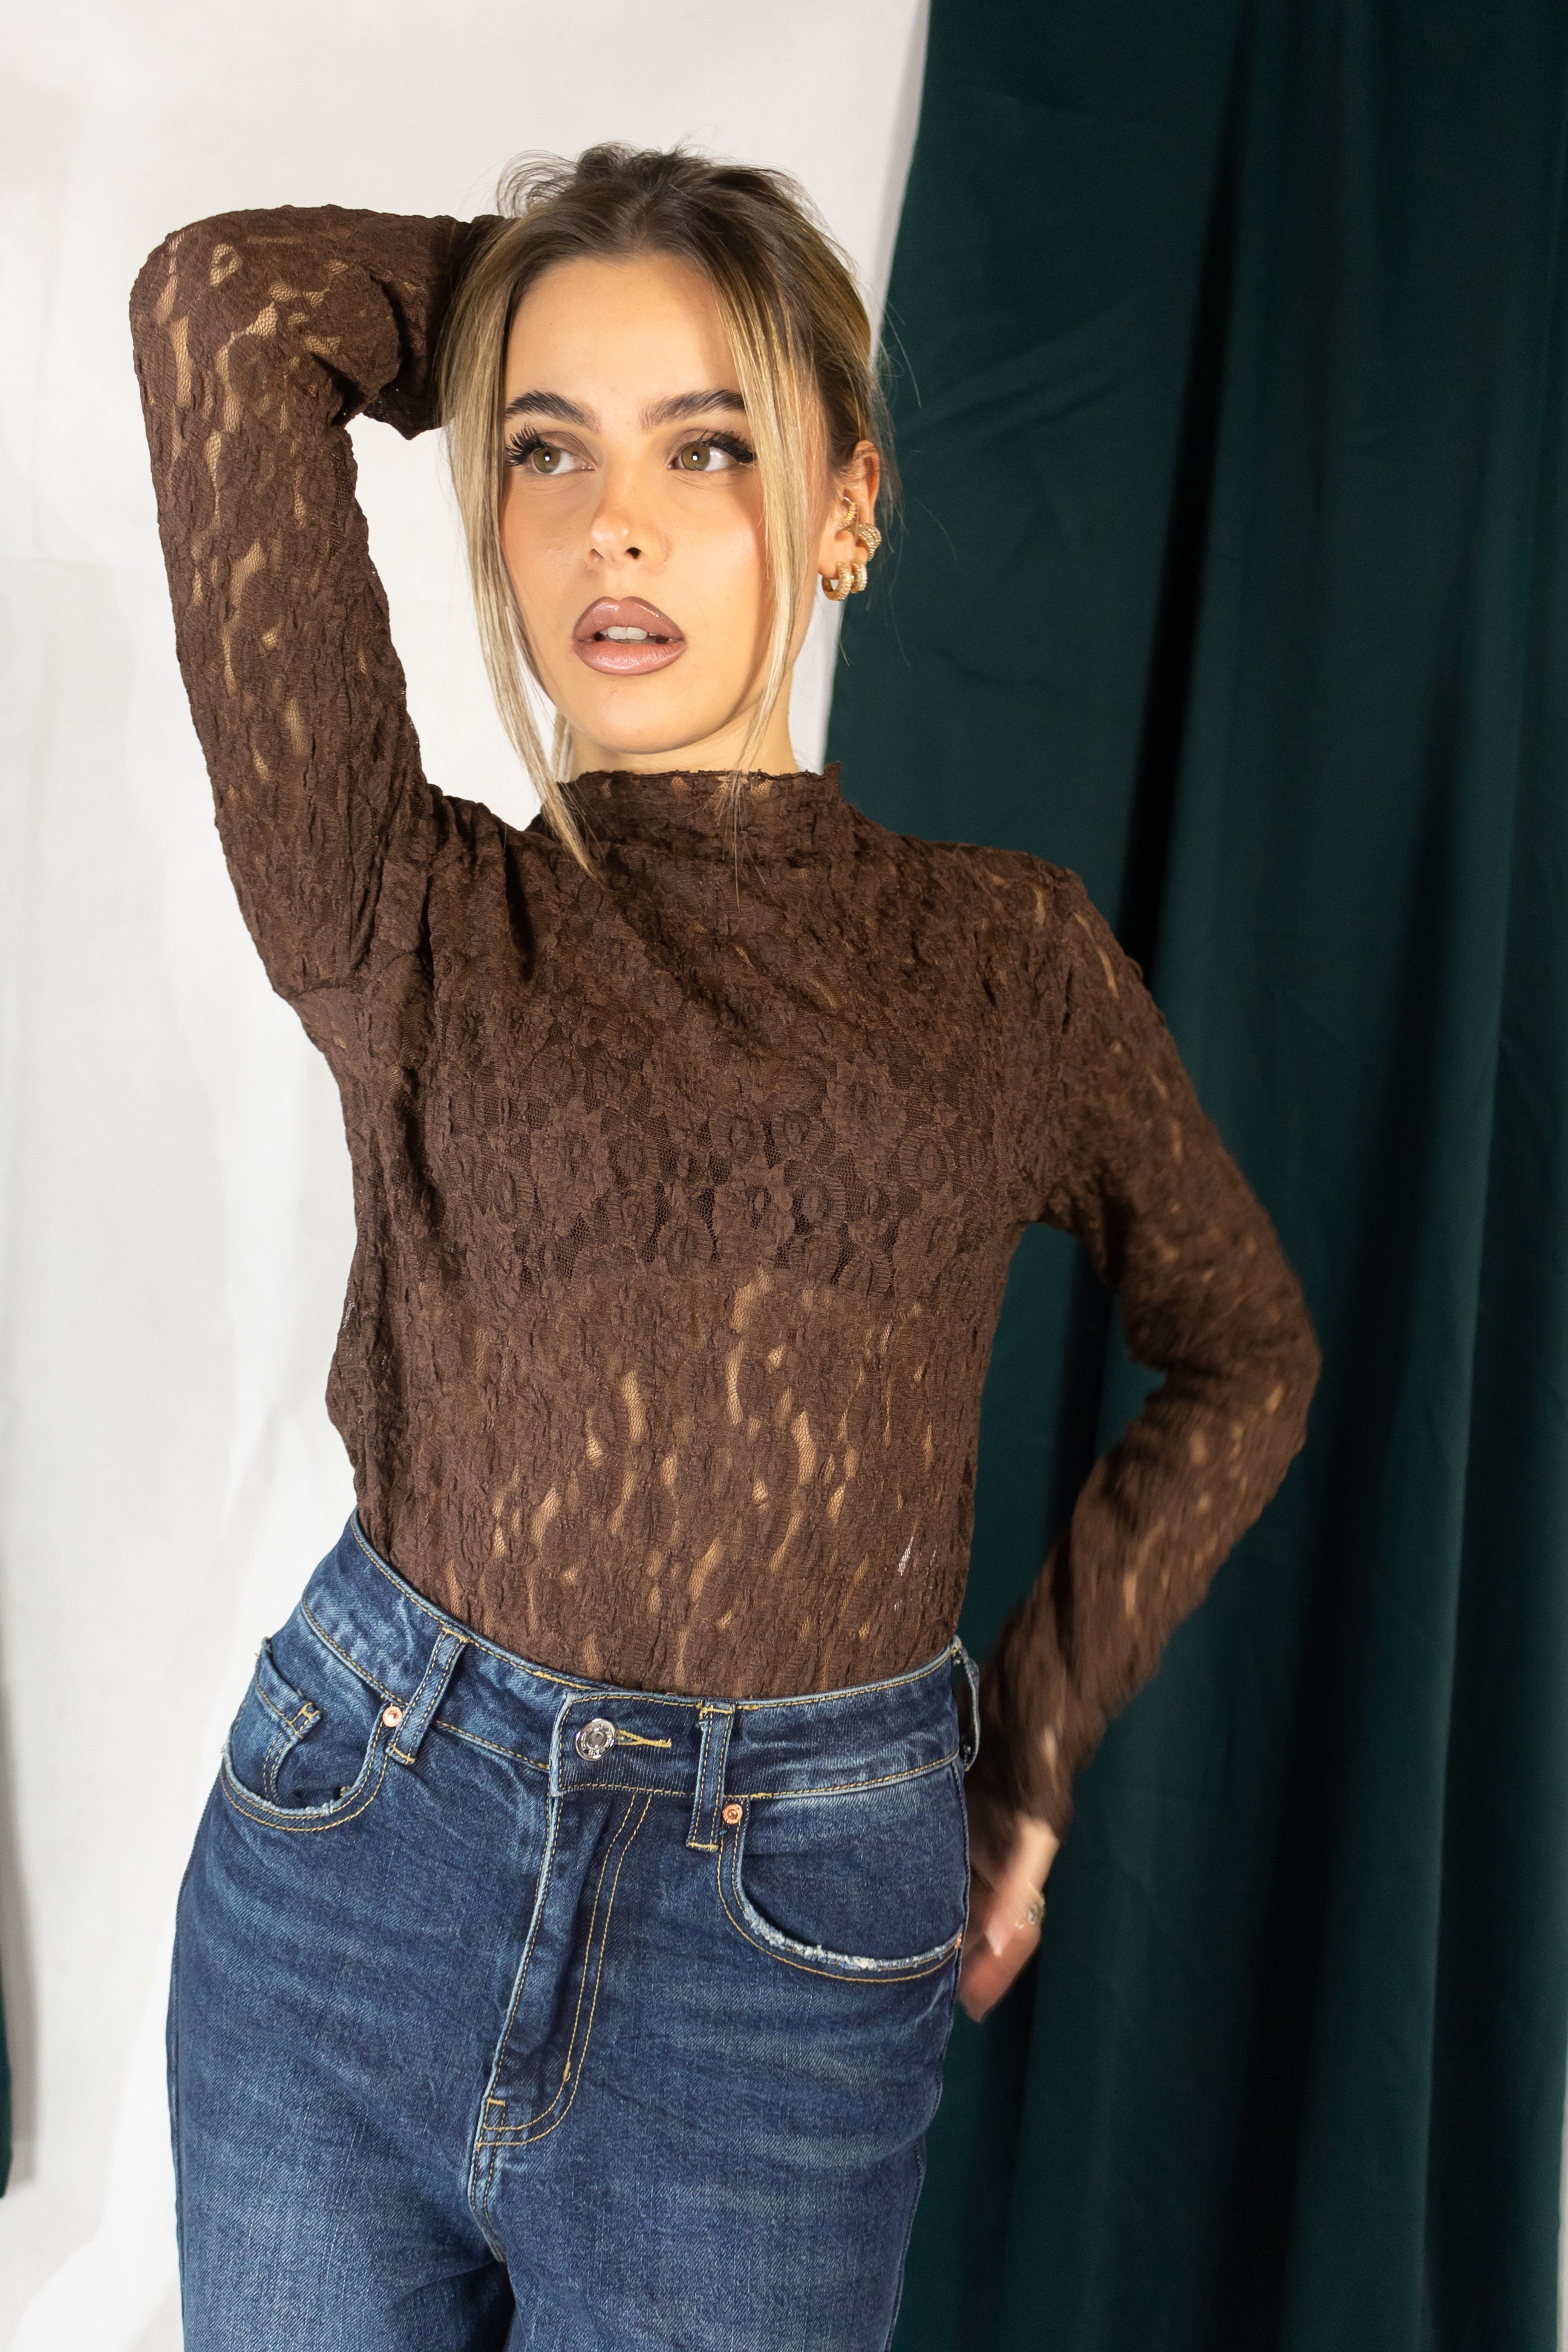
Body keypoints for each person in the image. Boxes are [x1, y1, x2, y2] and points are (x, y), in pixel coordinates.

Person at [129, 143, 1320, 2351]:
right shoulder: (402, 907)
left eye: (710, 446)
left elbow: (1246, 1347)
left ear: (850, 504)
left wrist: (1033, 1744)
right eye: (544, 448)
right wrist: (546, 282)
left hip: (782, 1978)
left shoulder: (1011, 964)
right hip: (349, 1867)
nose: (618, 524)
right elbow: (220, 302)